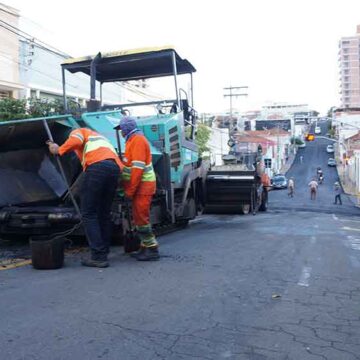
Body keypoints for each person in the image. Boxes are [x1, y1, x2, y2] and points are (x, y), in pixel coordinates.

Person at [47, 128, 121, 268]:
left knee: (88, 213)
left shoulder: (79, 131)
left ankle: (98, 256)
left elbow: (75, 141)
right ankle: (103, 251)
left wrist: (58, 149)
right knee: (103, 214)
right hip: (114, 169)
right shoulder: (102, 139)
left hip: (97, 167)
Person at [116, 116, 159, 261]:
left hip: (143, 186)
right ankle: (144, 247)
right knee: (139, 217)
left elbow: (138, 169)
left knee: (141, 218)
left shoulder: (138, 141)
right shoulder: (132, 141)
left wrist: (129, 191)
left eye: (121, 129)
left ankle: (152, 249)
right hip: (140, 186)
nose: (120, 133)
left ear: (127, 129)